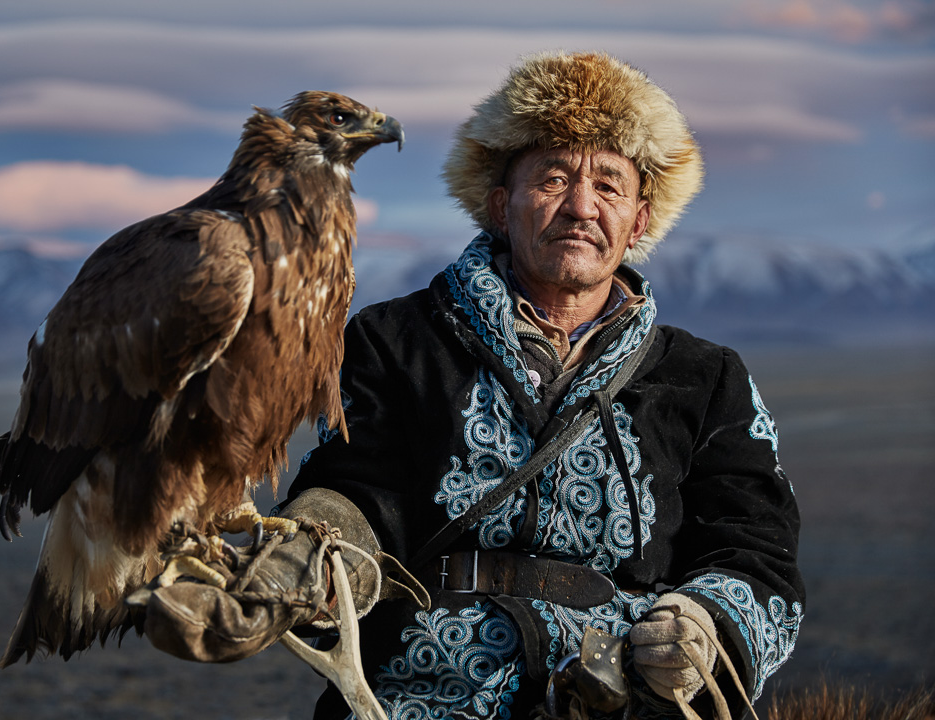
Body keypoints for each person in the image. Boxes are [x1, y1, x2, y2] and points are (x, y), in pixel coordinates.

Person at [141, 51, 804, 719]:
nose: (580, 206)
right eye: (551, 178)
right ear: (498, 205)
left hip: (622, 700)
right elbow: (357, 492)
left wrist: (702, 626)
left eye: (608, 184)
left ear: (638, 220)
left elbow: (757, 551)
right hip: (416, 693)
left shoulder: (707, 378)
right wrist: (304, 557)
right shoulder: (394, 339)